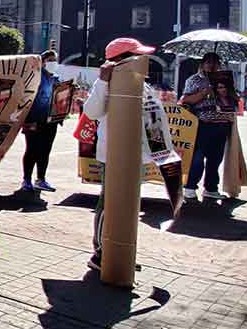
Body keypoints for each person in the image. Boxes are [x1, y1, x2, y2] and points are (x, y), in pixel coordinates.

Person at [82, 37, 156, 271]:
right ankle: (101, 252)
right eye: (135, 55)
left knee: (129, 204)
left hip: (135, 156)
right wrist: (103, 82)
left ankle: (122, 251)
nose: (141, 60)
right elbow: (91, 112)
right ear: (120, 61)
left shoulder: (140, 84)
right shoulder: (105, 82)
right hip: (113, 155)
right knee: (109, 203)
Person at [180, 52, 235, 201]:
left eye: (215, 63)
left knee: (215, 159)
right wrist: (205, 92)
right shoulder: (194, 80)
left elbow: (232, 99)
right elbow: (186, 99)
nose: (212, 66)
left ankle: (211, 188)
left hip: (222, 124)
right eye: (209, 62)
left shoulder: (226, 80)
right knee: (198, 157)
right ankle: (190, 186)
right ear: (202, 64)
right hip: (202, 123)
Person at [19, 49, 64, 193]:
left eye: (55, 60)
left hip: (51, 121)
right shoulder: (36, 77)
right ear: (43, 62)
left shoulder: (57, 78)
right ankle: (26, 180)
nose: (53, 63)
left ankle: (41, 179)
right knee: (32, 149)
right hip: (34, 119)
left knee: (45, 150)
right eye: (50, 60)